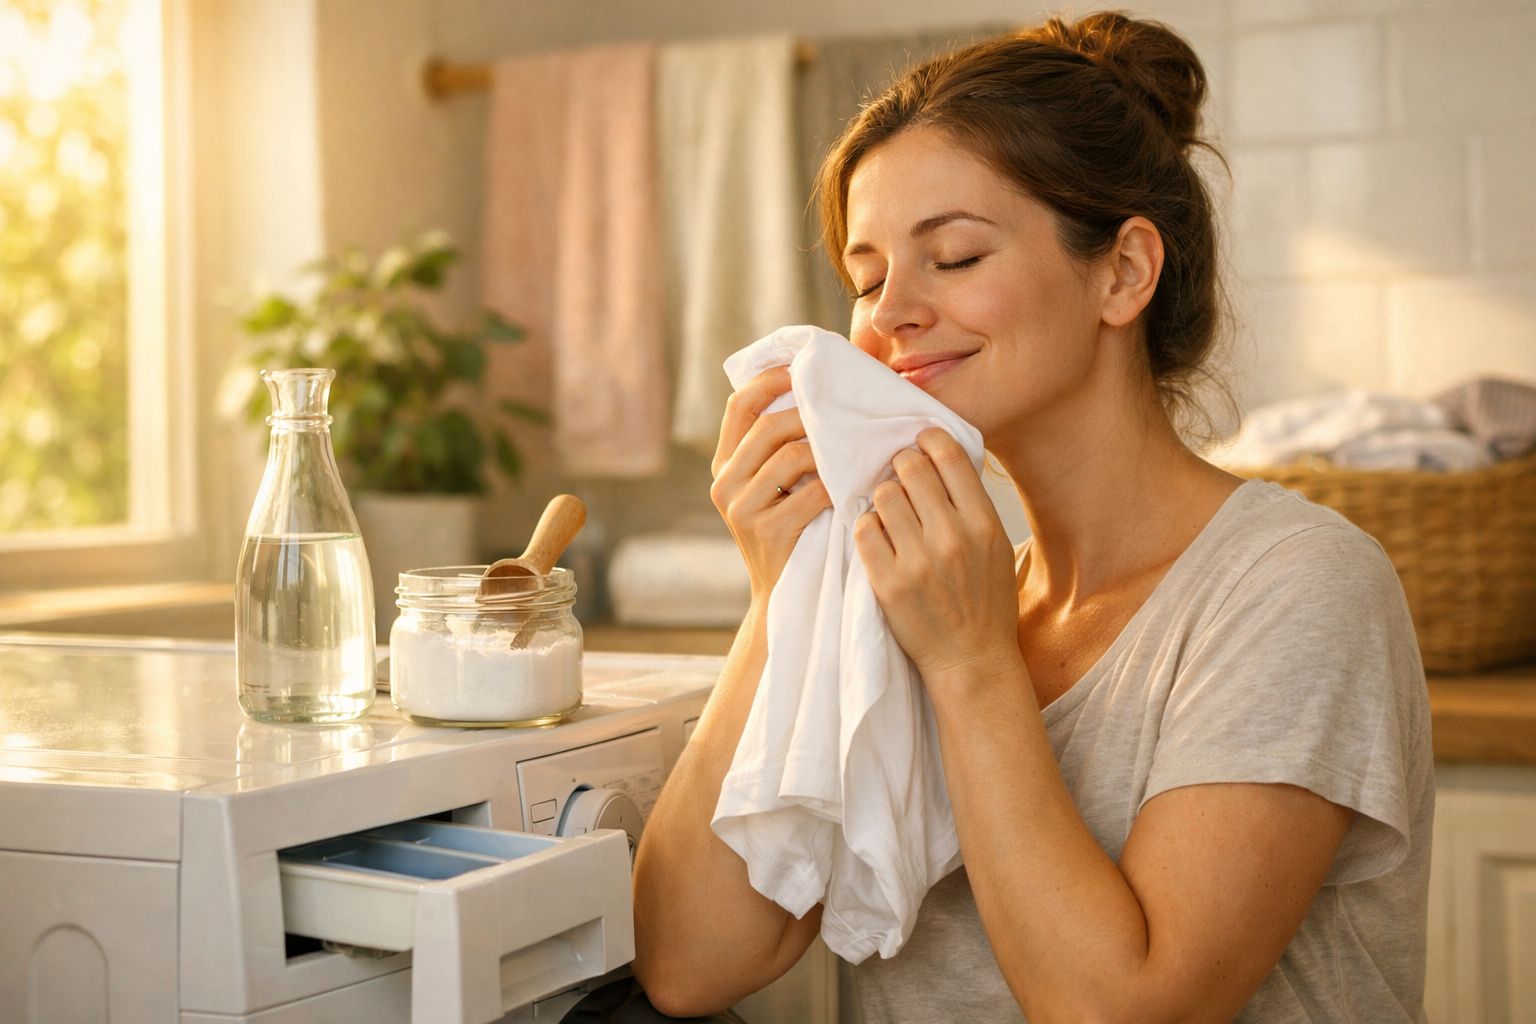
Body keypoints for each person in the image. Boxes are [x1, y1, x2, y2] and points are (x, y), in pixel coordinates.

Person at [631, 12, 1433, 1023]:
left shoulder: (1298, 586)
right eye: (867, 278)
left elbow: (1125, 1010)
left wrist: (970, 667)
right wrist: (785, 595)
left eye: (955, 257)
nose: (887, 317)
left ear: (1124, 272)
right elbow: (689, 963)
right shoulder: (918, 588)